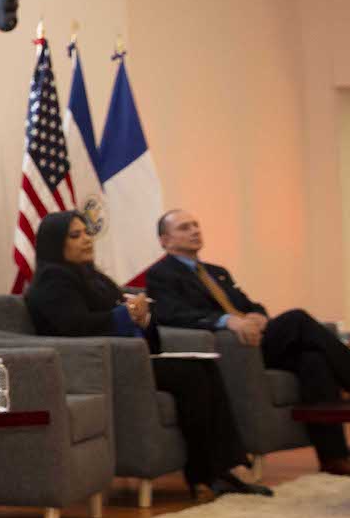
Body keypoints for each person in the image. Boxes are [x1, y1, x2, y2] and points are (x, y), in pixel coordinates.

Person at [25, 211, 269, 499]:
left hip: (130, 358)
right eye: (75, 236)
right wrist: (124, 314)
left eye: (87, 233)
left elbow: (123, 318)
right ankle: (209, 471)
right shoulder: (54, 280)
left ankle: (225, 468)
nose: (87, 240)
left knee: (205, 368)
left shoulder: (93, 276)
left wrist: (141, 318)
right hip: (97, 366)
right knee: (191, 374)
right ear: (55, 244)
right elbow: (73, 326)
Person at [145, 208, 350, 477]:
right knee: (297, 318)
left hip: (254, 341)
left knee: (314, 360)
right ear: (165, 241)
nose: (195, 231)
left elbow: (249, 304)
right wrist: (225, 321)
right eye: (184, 227)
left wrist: (259, 316)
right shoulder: (161, 274)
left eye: (196, 225)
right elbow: (173, 314)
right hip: (232, 349)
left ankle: (334, 458)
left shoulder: (217, 272)